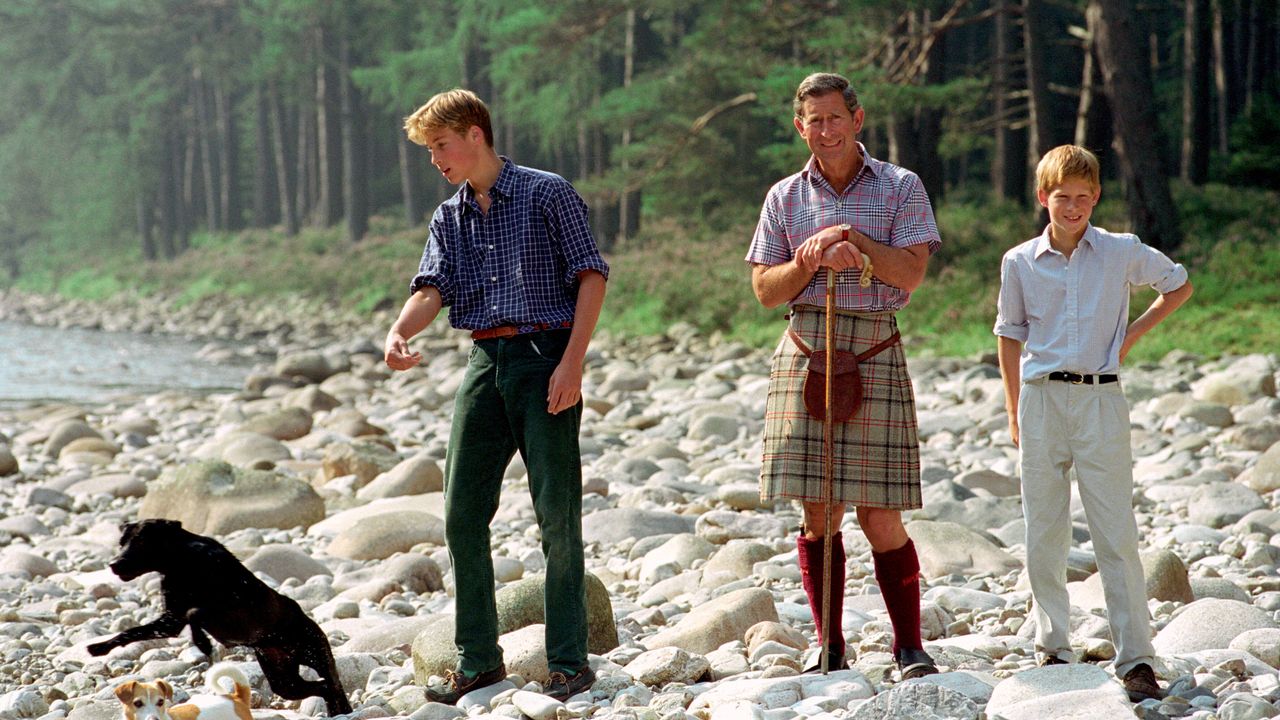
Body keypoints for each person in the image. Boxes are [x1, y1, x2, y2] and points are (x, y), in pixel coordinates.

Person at [384, 88, 609, 704]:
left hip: (547, 358)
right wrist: (401, 329)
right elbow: (432, 287)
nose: (435, 159)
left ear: (474, 134)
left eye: (440, 146)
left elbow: (591, 275)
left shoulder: (547, 192)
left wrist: (573, 364)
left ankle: (569, 661)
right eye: (430, 149)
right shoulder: (449, 215)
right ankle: (479, 661)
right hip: (485, 360)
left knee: (557, 517)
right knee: (461, 515)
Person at [746, 72, 940, 679]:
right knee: (818, 508)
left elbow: (909, 275)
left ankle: (909, 646)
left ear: (857, 120)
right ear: (799, 127)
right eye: (814, 121)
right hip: (806, 347)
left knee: (880, 512)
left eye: (835, 118)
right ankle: (828, 645)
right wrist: (809, 258)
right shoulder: (783, 196)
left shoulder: (901, 186)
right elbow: (762, 289)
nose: (825, 131)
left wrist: (851, 238)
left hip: (875, 346)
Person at [994, 144, 1192, 701]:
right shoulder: (1019, 261)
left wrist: (1128, 337)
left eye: (1084, 197)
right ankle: (1053, 647)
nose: (1073, 206)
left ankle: (1136, 660)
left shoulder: (1120, 250)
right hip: (1040, 401)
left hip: (1102, 400)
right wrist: (1012, 408)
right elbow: (1009, 334)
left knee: (1115, 532)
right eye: (1062, 197)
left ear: (1097, 197)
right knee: (1044, 530)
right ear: (1043, 198)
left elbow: (1178, 285)